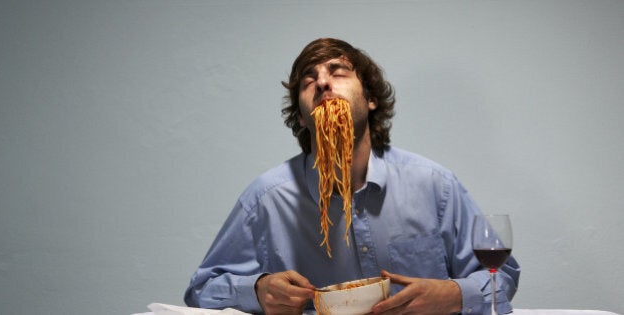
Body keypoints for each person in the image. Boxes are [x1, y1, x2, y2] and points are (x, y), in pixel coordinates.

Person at [184, 38, 520, 314]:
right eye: (308, 81)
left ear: (371, 99)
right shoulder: (266, 199)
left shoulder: (434, 185)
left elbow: (502, 274)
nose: (323, 83)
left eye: (337, 72)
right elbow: (201, 290)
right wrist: (257, 290)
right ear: (302, 118)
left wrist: (453, 295)